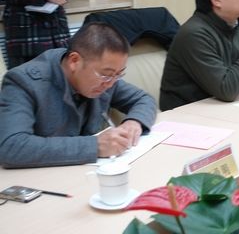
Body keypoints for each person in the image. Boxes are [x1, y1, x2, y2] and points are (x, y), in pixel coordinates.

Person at [0, 22, 157, 168]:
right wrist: (95, 146)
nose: (110, 84)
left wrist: (134, 122)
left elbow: (143, 99)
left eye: (118, 74)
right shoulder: (24, 82)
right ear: (74, 61)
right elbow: (11, 146)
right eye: (106, 75)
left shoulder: (108, 77)